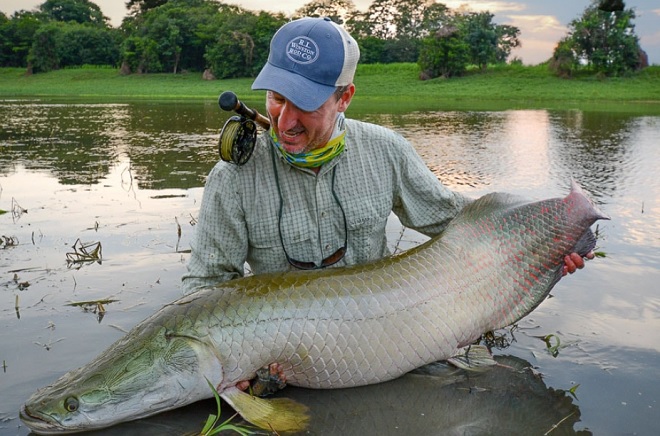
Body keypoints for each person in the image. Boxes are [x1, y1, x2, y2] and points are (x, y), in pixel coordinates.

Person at [182, 17, 590, 296]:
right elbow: (207, 284)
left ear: (345, 97)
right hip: (284, 342)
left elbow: (457, 221)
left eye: (304, 103)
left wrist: (544, 240)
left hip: (376, 328)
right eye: (275, 97)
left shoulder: (387, 151)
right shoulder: (232, 178)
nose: (284, 120)